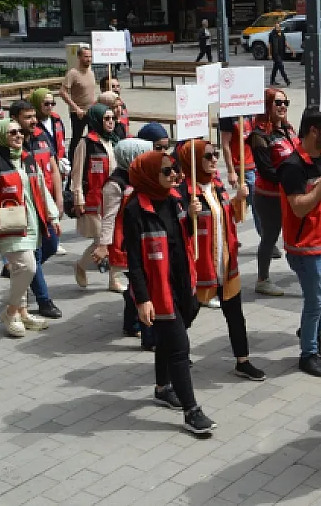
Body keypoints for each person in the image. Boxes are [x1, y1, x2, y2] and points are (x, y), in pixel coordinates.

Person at [122, 151, 217, 435]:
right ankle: (191, 411)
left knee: (168, 338)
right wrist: (143, 299)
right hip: (158, 289)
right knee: (179, 346)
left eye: (174, 169)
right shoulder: (134, 209)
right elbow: (135, 262)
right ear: (151, 175)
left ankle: (162, 388)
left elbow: (181, 238)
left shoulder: (175, 199)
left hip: (183, 283)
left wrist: (189, 217)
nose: (174, 175)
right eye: (167, 171)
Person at [175, 140, 265, 380]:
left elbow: (229, 217)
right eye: (208, 156)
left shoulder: (217, 186)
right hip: (198, 267)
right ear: (193, 161)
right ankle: (172, 355)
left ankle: (242, 360)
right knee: (187, 315)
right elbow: (175, 232)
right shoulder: (182, 192)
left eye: (215, 154)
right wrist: (187, 215)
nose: (215, 159)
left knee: (235, 313)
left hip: (224, 264)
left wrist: (239, 200)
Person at [279, 108, 321, 377]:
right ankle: (308, 354)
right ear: (313, 131)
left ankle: (314, 328)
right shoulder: (292, 166)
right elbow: (298, 208)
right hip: (308, 248)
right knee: (316, 301)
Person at [0, 118, 58, 338]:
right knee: (28, 267)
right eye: (12, 132)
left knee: (18, 270)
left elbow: (41, 187)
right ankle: (10, 311)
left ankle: (22, 312)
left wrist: (52, 215)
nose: (18, 136)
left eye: (20, 132)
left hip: (32, 222)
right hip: (9, 225)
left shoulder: (27, 159)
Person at [10, 100, 63, 318]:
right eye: (27, 117)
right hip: (25, 209)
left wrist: (58, 199)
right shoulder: (10, 144)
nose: (33, 121)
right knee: (34, 252)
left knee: (50, 245)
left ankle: (26, 273)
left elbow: (54, 167)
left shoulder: (42, 135)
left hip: (46, 204)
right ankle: (44, 300)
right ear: (15, 120)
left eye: (34, 116)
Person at [97, 138, 152, 341]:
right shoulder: (114, 184)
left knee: (138, 284)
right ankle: (137, 326)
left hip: (141, 238)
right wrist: (104, 245)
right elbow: (108, 217)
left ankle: (132, 321)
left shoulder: (138, 176)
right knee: (139, 283)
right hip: (124, 241)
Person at [248, 89, 297, 297]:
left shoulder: (289, 130)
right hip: (270, 196)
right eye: (277, 102)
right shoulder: (259, 136)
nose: (283, 106)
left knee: (296, 234)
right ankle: (262, 280)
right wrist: (296, 178)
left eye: (285, 102)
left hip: (290, 193)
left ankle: (308, 272)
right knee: (270, 236)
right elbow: (267, 171)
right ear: (267, 106)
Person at [71, 104, 120, 290]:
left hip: (114, 198)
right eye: (106, 119)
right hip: (94, 199)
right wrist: (78, 198)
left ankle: (113, 279)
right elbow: (77, 173)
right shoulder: (86, 143)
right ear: (96, 120)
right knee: (101, 241)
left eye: (112, 118)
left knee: (113, 239)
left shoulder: (114, 140)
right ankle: (81, 266)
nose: (110, 122)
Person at [218, 115, 259, 234]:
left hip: (256, 163)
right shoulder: (228, 113)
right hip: (243, 167)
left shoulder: (251, 110)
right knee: (256, 205)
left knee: (250, 203)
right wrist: (231, 171)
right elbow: (225, 144)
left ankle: (227, 230)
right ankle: (267, 242)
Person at [60, 46, 99, 163]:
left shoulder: (91, 71)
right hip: (78, 113)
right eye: (86, 56)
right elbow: (62, 92)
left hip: (91, 111)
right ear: (79, 57)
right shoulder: (73, 73)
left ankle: (90, 159)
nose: (89, 59)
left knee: (94, 136)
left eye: (90, 56)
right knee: (77, 138)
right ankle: (72, 162)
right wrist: (76, 108)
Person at [30, 88, 69, 177]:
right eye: (46, 104)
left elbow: (61, 141)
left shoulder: (56, 119)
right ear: (37, 104)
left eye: (53, 103)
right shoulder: (32, 123)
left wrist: (63, 160)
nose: (50, 106)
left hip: (60, 166)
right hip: (43, 170)